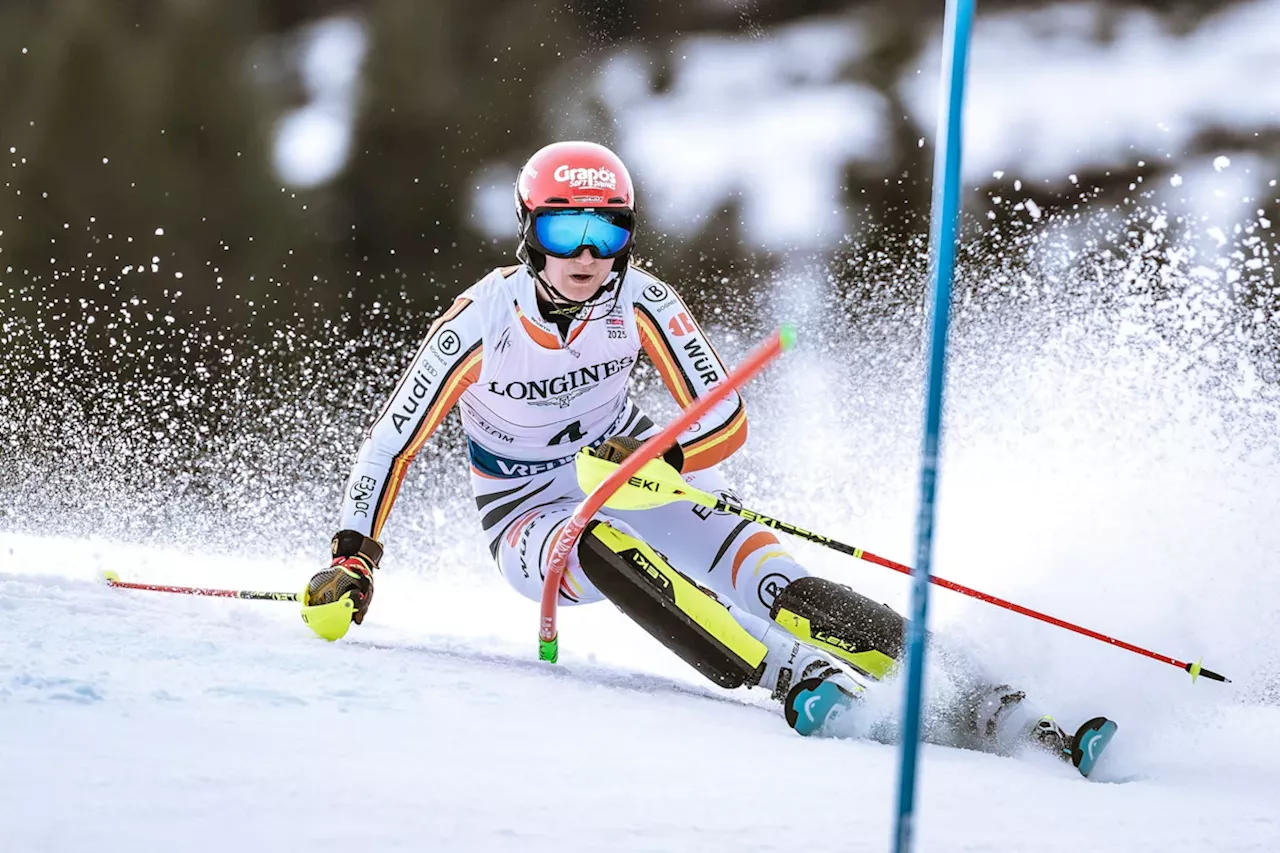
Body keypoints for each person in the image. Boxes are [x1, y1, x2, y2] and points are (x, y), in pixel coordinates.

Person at [302, 140, 1073, 748]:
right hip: (526, 511)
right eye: (562, 229)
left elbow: (724, 417)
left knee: (780, 583)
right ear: (527, 232)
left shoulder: (642, 299)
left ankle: (990, 696)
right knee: (592, 536)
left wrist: (660, 463)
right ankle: (790, 675)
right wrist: (354, 557)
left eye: (606, 231)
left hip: (630, 469)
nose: (585, 255)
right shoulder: (482, 320)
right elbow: (391, 443)